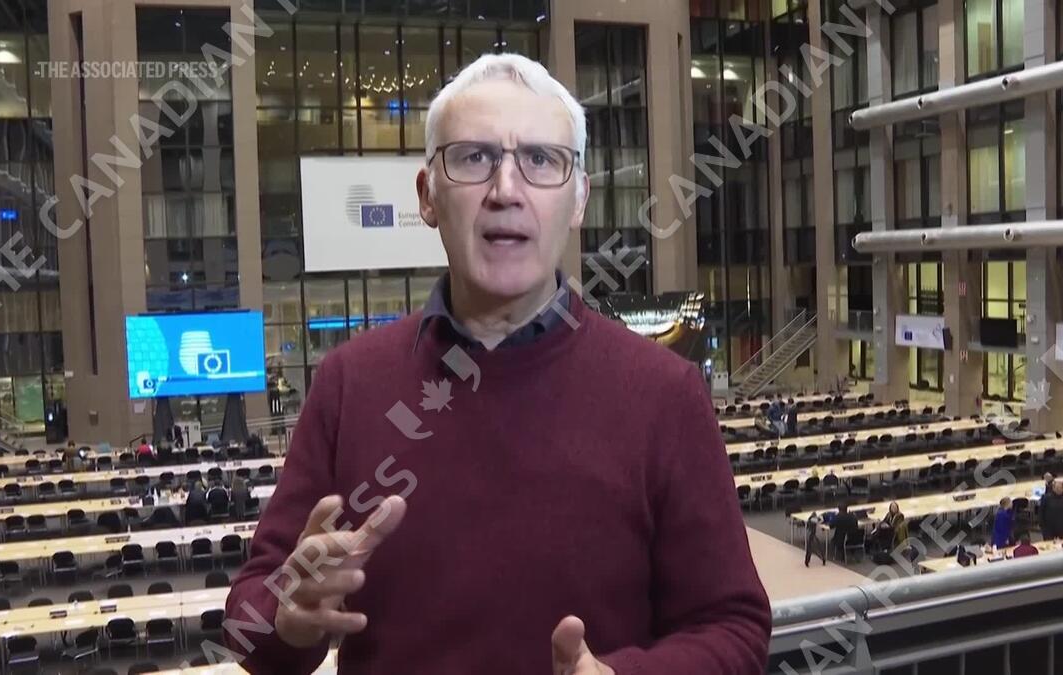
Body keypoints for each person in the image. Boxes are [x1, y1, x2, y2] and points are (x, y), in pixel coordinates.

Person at [225, 53, 771, 674]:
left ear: (579, 199)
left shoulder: (665, 394)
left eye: (541, 160)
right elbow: (246, 624)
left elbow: (735, 629)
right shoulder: (349, 383)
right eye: (473, 157)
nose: (506, 191)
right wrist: (286, 619)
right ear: (427, 196)